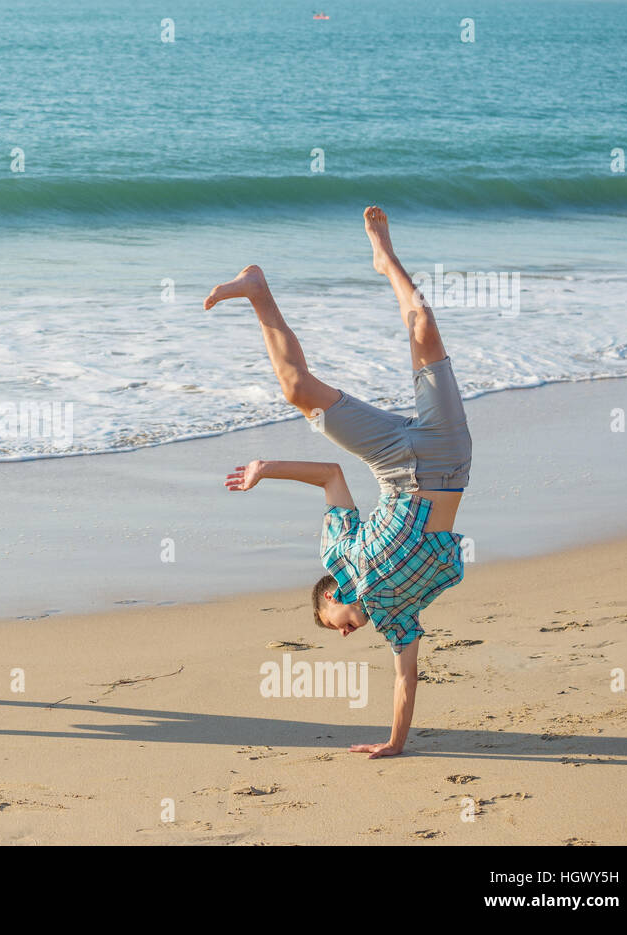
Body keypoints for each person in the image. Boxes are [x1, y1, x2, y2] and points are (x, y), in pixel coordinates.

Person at [205, 206, 471, 758]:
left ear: (334, 593)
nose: (345, 632)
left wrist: (265, 469)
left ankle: (370, 262)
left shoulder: (339, 549)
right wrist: (395, 743)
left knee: (299, 393)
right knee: (422, 329)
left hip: (394, 463)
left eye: (336, 624)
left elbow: (330, 475)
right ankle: (274, 287)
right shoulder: (397, 616)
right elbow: (406, 678)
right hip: (448, 453)